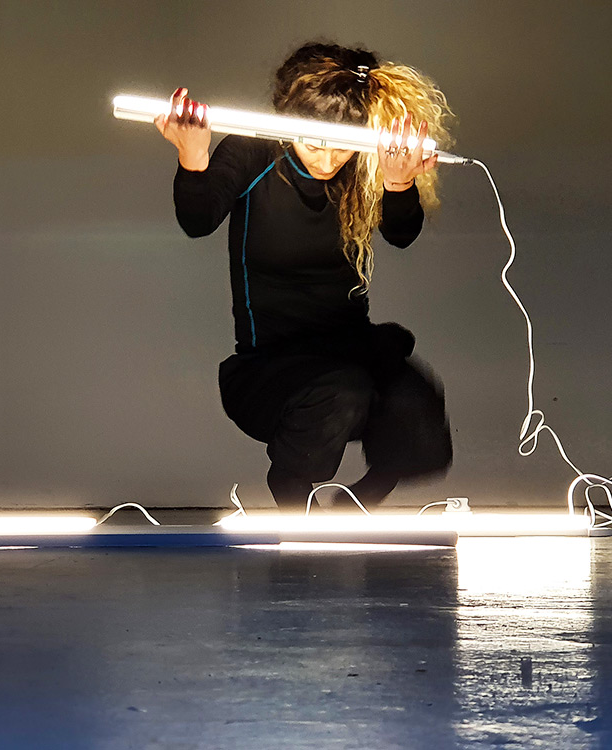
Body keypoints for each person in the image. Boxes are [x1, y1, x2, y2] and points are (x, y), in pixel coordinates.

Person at [154, 42, 453, 509]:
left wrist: (399, 182)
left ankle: (356, 505)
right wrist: (193, 156)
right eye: (315, 143)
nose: (328, 159)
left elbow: (402, 232)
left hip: (350, 349)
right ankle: (294, 503)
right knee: (344, 391)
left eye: (342, 146)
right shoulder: (254, 150)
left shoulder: (362, 159)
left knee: (414, 397)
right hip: (270, 369)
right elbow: (198, 220)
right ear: (288, 122)